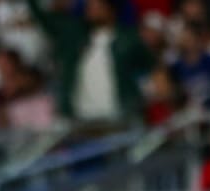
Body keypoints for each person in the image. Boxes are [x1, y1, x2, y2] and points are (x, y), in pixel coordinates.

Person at [23, 0, 151, 123]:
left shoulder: (128, 40)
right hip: (81, 122)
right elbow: (43, 18)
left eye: (97, 4)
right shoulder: (74, 36)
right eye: (89, 4)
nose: (91, 8)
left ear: (111, 8)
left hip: (120, 119)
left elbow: (153, 70)